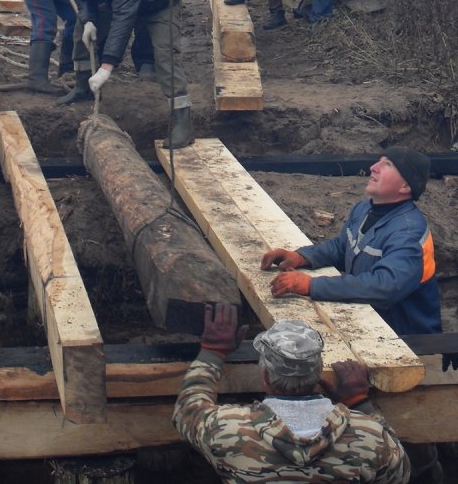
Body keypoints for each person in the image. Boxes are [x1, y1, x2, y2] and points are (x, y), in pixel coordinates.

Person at [261, 146, 443, 483]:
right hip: (368, 327)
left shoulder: (407, 232)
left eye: (386, 165)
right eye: (379, 161)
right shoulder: (365, 209)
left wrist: (311, 286)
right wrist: (303, 256)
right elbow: (341, 247)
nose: (373, 167)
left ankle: (425, 469)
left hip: (406, 341)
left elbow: (385, 287)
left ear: (405, 187)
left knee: (405, 429)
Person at [173, 303, 410, 483]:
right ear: (318, 374)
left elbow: (187, 411)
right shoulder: (369, 436)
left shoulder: (226, 429)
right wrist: (358, 400)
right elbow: (401, 474)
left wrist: (212, 352)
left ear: (265, 377)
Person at [57, 0, 194, 149]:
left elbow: (123, 18)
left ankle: (182, 121)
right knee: (81, 30)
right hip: (119, 0)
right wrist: (89, 19)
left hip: (159, 4)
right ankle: (83, 87)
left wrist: (107, 66)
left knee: (165, 55)